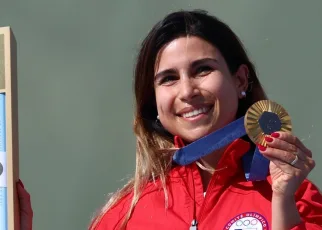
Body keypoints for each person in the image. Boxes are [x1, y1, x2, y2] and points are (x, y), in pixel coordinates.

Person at [19, 9, 322, 230]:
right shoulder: (124, 215)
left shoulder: (295, 196)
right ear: (154, 101)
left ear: (241, 79)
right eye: (168, 78)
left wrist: (282, 203)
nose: (187, 91)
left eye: (203, 69)